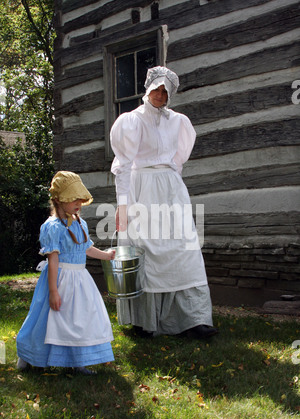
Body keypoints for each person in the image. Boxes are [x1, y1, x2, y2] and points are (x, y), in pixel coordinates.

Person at [110, 66, 218, 339]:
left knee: (184, 249)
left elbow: (178, 161)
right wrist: (123, 206)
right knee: (144, 248)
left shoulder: (179, 122)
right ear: (148, 89)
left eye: (165, 91)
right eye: (156, 89)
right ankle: (144, 321)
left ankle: (194, 319)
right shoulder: (132, 121)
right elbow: (123, 167)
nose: (160, 95)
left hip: (170, 190)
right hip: (142, 188)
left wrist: (171, 186)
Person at [16, 171, 116, 375]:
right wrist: (53, 290)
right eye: (73, 199)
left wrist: (105, 255)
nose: (78, 203)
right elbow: (53, 260)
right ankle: (29, 354)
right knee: (45, 319)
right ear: (59, 201)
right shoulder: (52, 227)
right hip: (59, 280)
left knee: (79, 320)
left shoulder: (80, 223)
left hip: (80, 281)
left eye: (80, 198)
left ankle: (77, 361)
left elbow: (85, 248)